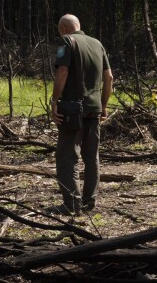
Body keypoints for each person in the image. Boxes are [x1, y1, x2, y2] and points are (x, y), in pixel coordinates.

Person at [49, 14, 113, 216]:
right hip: (94, 109)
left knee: (67, 157)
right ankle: (88, 202)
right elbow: (109, 77)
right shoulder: (97, 44)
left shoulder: (67, 41)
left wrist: (54, 101)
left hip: (72, 110)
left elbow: (62, 72)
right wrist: (103, 104)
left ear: (63, 29)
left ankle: (71, 205)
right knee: (91, 157)